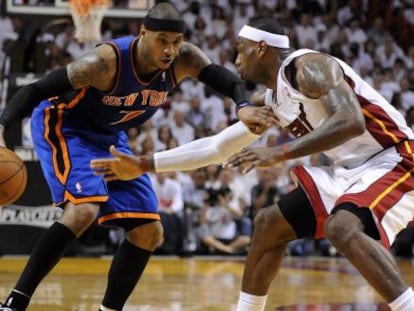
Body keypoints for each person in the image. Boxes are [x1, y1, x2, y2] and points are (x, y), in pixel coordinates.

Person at [90, 17, 414, 311]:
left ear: (261, 48)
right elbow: (217, 147)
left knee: (341, 227)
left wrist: (278, 153)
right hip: (351, 171)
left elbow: (351, 121)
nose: (235, 60)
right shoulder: (274, 98)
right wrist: (145, 164)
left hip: (397, 157)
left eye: (240, 50)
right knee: (268, 224)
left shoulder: (309, 66)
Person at [0, 3, 276, 310]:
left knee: (149, 232)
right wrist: (1, 127)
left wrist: (242, 106)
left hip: (110, 135)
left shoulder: (185, 59)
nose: (170, 49)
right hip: (67, 126)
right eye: (162, 40)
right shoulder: (105, 62)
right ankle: (15, 302)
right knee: (83, 211)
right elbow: (37, 89)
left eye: (176, 41)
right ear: (142, 33)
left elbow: (233, 83)